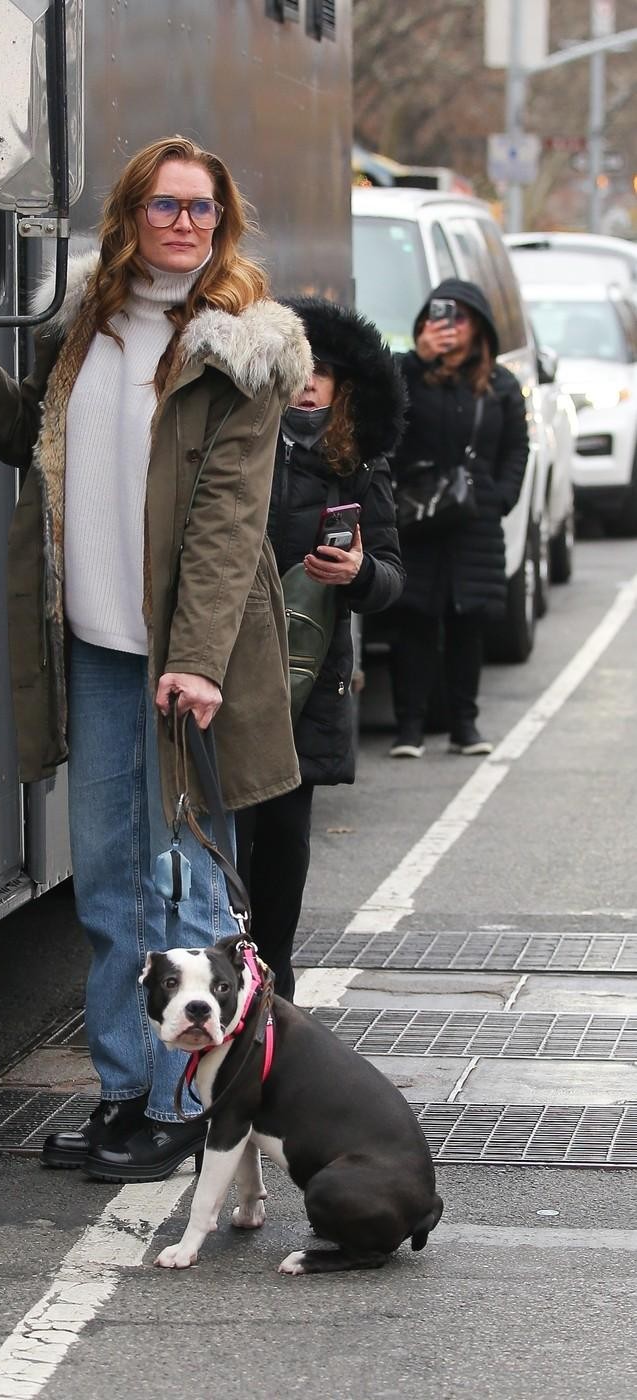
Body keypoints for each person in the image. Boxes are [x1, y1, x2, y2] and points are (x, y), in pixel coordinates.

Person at [0, 136, 310, 1182]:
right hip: (95, 647)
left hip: (188, 663)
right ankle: (129, 1090)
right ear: (131, 213)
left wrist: (194, 659)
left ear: (221, 226)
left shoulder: (242, 349)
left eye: (204, 211)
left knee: (182, 891)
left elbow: (231, 521)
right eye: (167, 206)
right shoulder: (87, 323)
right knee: (107, 888)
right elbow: (27, 439)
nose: (186, 225)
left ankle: (193, 1104)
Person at [235, 299, 406, 1001]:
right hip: (227, 668)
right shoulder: (236, 445)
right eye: (298, 369)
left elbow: (392, 579)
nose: (308, 384)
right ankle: (221, 976)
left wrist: (359, 573)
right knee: (222, 838)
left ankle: (272, 988)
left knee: (281, 843)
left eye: (323, 374)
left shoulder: (357, 470)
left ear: (342, 389)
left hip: (304, 684)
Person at [388, 279, 529, 759]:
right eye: (438, 316)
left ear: (480, 327)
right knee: (415, 619)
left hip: (475, 521)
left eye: (460, 317)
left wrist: (502, 496)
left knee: (469, 622)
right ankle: (409, 727)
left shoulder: (500, 385)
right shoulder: (409, 373)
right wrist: (417, 358)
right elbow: (384, 420)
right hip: (420, 516)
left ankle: (465, 725)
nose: (448, 326)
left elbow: (516, 448)